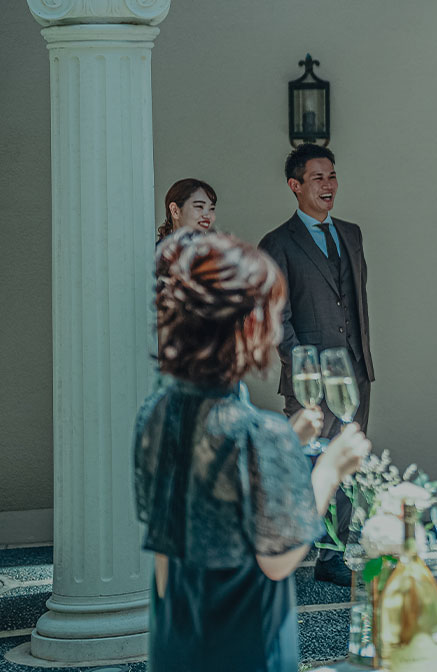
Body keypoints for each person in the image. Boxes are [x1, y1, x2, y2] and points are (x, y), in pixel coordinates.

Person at [135, 231, 369, 672]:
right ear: (249, 326)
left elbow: (190, 517)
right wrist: (329, 470)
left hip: (175, 637)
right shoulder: (258, 431)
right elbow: (278, 560)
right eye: (274, 313)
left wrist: (286, 443)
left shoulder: (158, 411)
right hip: (243, 643)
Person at [258, 144, 374, 585]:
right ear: (295, 185)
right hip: (309, 379)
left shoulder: (352, 234)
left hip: (355, 371)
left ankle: (333, 555)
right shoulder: (277, 243)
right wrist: (303, 369)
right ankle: (285, 550)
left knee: (346, 464)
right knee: (307, 464)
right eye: (317, 178)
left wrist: (361, 361)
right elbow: (276, 316)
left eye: (332, 176)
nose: (328, 186)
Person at [156, 178, 217, 243]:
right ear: (175, 210)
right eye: (199, 206)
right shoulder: (159, 248)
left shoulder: (215, 246)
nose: (208, 215)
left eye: (212, 208)